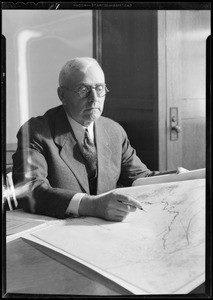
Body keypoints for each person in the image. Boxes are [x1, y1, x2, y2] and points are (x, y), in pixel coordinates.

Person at [12, 57, 185, 221]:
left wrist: (180, 178)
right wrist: (93, 206)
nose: (94, 99)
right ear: (62, 95)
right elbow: (30, 189)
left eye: (100, 89)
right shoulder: (36, 131)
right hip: (59, 232)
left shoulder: (114, 130)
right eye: (83, 90)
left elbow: (139, 178)